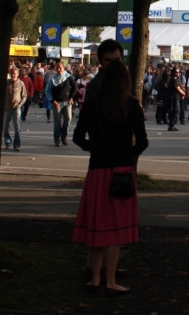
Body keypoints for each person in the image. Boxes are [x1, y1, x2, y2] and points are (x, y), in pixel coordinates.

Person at [72, 60, 148, 295]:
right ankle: (111, 280)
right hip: (122, 171)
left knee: (97, 225)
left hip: (97, 170)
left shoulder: (92, 104)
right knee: (117, 228)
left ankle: (95, 278)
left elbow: (77, 136)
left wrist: (92, 148)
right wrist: (128, 155)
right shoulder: (131, 105)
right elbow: (143, 141)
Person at [45, 61, 77, 147]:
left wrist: (71, 97)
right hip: (57, 103)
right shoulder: (52, 79)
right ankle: (57, 139)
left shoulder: (68, 77)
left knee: (68, 119)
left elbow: (74, 87)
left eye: (61, 68)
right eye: (57, 68)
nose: (59, 70)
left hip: (67, 102)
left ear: (64, 68)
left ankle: (64, 136)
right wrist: (52, 100)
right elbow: (48, 91)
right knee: (57, 122)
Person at [3, 68, 27, 151]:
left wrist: (19, 105)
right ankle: (7, 142)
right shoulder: (6, 83)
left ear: (17, 74)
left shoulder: (21, 83)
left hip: (16, 108)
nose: (14, 75)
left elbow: (24, 96)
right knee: (5, 127)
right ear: (10, 74)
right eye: (12, 73)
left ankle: (17, 145)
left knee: (17, 127)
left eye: (15, 73)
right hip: (6, 109)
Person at [166, 67, 185, 132]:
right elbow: (178, 89)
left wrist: (182, 92)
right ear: (173, 73)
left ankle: (172, 125)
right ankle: (171, 125)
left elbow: (180, 87)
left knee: (175, 111)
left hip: (177, 97)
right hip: (174, 97)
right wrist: (183, 94)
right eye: (176, 72)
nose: (178, 73)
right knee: (175, 111)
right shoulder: (173, 80)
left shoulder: (177, 79)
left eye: (178, 72)